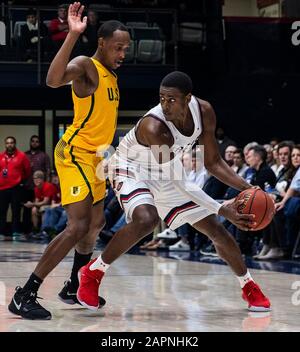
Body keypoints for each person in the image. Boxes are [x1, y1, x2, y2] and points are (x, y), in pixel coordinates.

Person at [77, 71, 271, 313]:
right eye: (161, 98)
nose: (165, 105)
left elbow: (213, 162)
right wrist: (223, 209)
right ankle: (93, 272)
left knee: (216, 229)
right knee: (146, 219)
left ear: (188, 98)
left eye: (171, 99)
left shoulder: (204, 111)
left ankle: (248, 286)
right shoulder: (154, 126)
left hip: (166, 172)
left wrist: (249, 188)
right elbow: (182, 183)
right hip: (131, 167)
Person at [8, 2, 130, 320]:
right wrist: (73, 35)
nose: (122, 53)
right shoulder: (86, 66)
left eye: (126, 48)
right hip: (74, 152)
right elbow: (52, 79)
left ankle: (74, 284)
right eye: (118, 47)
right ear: (102, 43)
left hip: (97, 155)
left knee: (97, 223)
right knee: (77, 226)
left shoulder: (112, 77)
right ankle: (25, 294)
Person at [0, 137, 31, 240]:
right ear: (5, 144)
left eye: (11, 143)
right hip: (2, 188)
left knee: (16, 211)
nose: (10, 145)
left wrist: (21, 182)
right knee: (2, 211)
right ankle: (1, 233)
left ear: (15, 143)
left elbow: (27, 171)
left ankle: (16, 232)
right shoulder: (1, 157)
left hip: (16, 188)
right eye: (7, 143)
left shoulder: (22, 156)